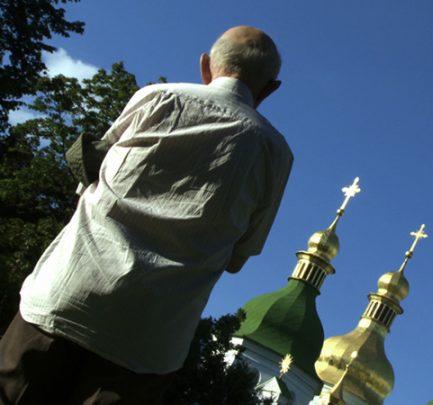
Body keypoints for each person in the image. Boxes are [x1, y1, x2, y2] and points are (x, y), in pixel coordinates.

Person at [0, 26, 293, 404]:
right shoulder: (275, 154)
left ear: (205, 65)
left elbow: (90, 175)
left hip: (65, 298)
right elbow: (239, 256)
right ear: (270, 89)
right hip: (148, 342)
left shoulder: (157, 99)